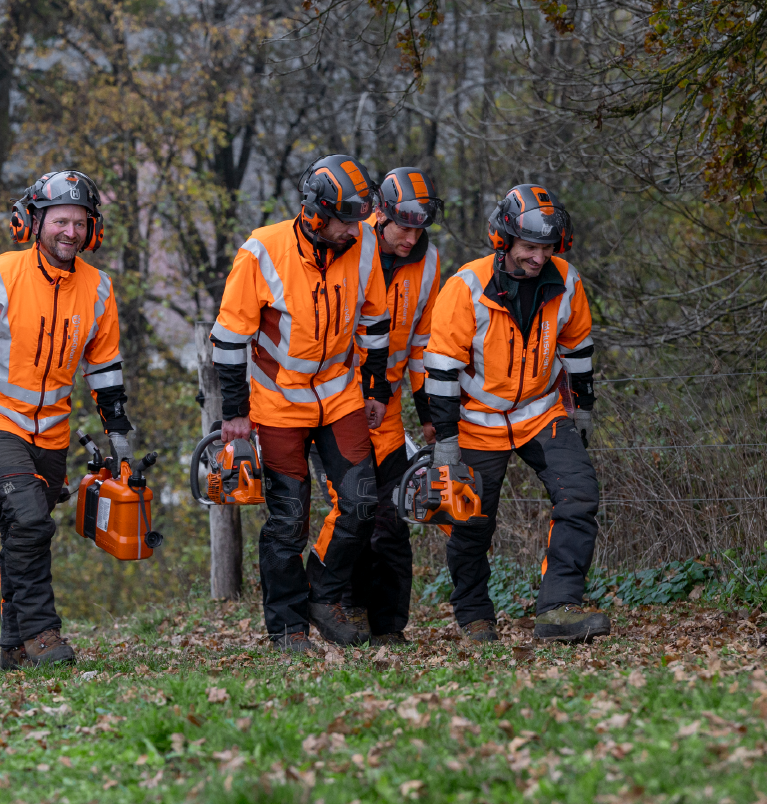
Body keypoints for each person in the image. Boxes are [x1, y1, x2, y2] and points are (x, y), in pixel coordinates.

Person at [0, 170, 131, 669]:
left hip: (53, 430)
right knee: (29, 518)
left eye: (80, 222)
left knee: (26, 532)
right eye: (60, 220)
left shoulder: (99, 289)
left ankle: (13, 646)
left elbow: (104, 368)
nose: (70, 232)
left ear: (93, 228)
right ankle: (43, 635)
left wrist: (119, 430)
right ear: (34, 221)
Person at [211, 154, 391, 651]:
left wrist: (375, 387)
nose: (353, 230)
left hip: (340, 394)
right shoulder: (262, 252)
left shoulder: (366, 244)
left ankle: (323, 595)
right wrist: (234, 412)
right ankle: (286, 627)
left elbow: (374, 323)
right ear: (315, 213)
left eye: (359, 219)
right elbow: (228, 339)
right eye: (344, 220)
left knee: (359, 505)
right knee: (289, 520)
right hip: (276, 403)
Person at [424, 184, 607, 643]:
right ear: (504, 240)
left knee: (579, 494)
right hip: (477, 421)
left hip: (542, 412)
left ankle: (559, 608)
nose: (538, 258)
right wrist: (446, 442)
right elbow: (441, 367)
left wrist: (582, 409)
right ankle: (474, 615)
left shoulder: (566, 281)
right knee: (470, 521)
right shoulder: (465, 286)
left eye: (546, 248)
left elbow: (578, 347)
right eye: (529, 248)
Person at [311, 167, 443, 646]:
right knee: (351, 510)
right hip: (336, 405)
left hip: (385, 411)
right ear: (380, 214)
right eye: (402, 227)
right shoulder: (351, 244)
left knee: (390, 518)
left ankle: (387, 625)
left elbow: (423, 346)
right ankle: (341, 609)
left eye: (419, 228)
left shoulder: (429, 265)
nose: (411, 238)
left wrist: (429, 413)